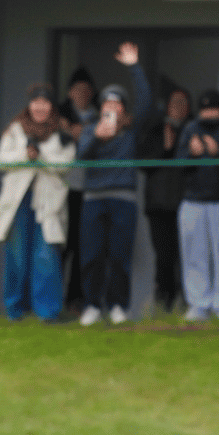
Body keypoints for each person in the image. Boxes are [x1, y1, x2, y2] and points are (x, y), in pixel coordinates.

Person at [0, 82, 74, 321]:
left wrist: (41, 156)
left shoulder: (61, 131)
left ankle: (47, 313)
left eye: (45, 102)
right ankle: (15, 310)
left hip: (48, 203)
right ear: (29, 104)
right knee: (17, 255)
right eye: (36, 102)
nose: (40, 107)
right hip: (18, 202)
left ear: (51, 106)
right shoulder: (15, 129)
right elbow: (1, 160)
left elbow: (65, 164)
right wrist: (25, 156)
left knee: (45, 256)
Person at [73, 48, 142, 325]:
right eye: (107, 103)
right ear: (101, 107)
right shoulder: (91, 128)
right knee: (91, 255)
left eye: (117, 104)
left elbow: (147, 100)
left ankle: (118, 306)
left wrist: (134, 67)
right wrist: (97, 138)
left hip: (123, 199)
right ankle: (92, 305)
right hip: (93, 199)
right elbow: (82, 157)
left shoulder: (130, 131)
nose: (112, 108)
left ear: (123, 107)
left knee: (119, 256)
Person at [174, 90, 219, 321]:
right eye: (204, 109)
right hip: (193, 199)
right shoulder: (191, 128)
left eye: (213, 109)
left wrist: (216, 152)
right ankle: (198, 304)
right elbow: (177, 164)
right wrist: (192, 154)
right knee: (194, 254)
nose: (209, 114)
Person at [137, 73, 191, 316]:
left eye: (183, 103)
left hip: (185, 202)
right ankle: (163, 304)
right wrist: (165, 148)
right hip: (158, 205)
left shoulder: (192, 131)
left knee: (186, 256)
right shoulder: (156, 130)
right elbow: (142, 164)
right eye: (174, 103)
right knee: (164, 257)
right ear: (167, 106)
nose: (178, 108)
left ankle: (187, 304)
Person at [59, 66, 98, 313]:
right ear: (70, 92)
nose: (82, 94)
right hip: (65, 188)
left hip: (91, 188)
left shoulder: (100, 116)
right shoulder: (59, 116)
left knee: (85, 246)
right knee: (63, 244)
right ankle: (53, 301)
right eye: (77, 90)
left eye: (86, 90)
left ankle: (76, 300)